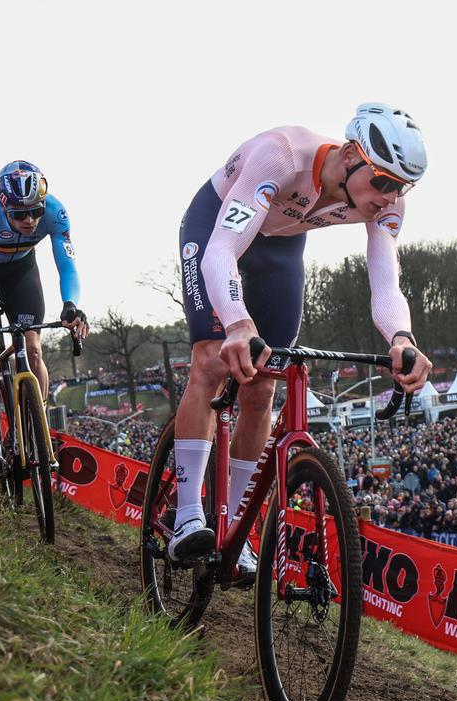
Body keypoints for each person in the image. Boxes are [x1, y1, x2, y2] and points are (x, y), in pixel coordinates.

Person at [166, 104, 433, 574]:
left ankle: (233, 528)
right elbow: (223, 251)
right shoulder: (282, 156)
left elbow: (386, 282)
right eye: (383, 181)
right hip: (217, 226)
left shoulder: (388, 205)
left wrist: (402, 338)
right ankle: (187, 516)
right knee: (211, 361)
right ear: (351, 155)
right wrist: (237, 324)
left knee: (264, 383)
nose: (390, 196)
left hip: (281, 248)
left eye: (401, 187)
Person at [0, 161, 89, 474]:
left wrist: (71, 304)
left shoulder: (55, 212)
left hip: (21, 267)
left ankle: (37, 427)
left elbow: (68, 266)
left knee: (33, 347)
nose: (30, 220)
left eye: (35, 211)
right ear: (3, 205)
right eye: (20, 214)